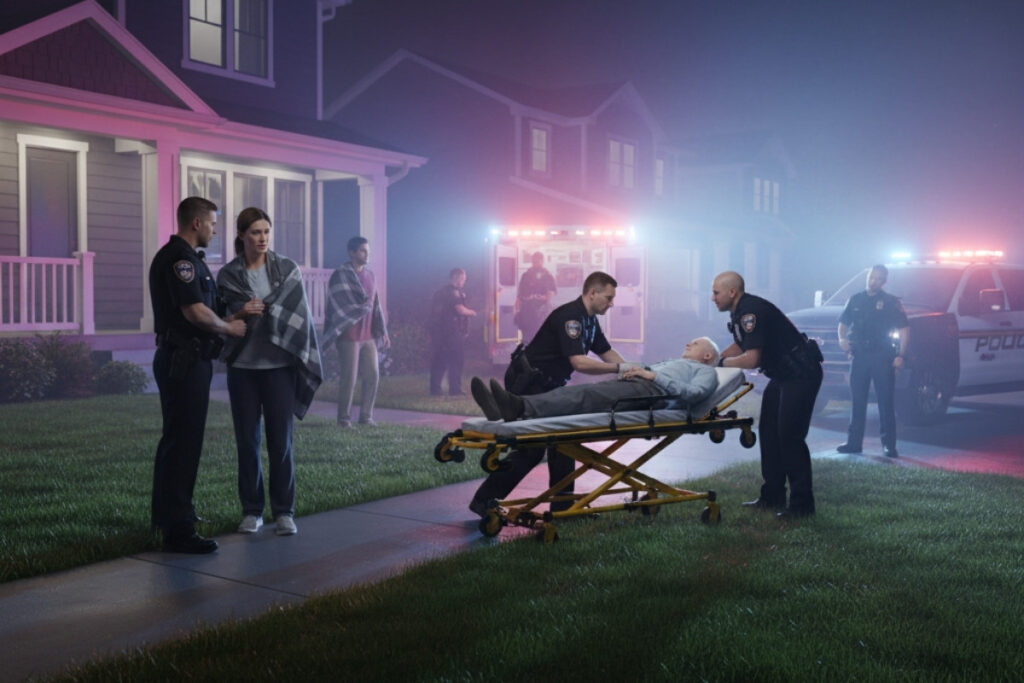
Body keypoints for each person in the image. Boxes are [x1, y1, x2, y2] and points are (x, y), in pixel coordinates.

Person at [468, 271, 626, 517]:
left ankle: (563, 508)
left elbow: (607, 351)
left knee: (563, 443)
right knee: (534, 449)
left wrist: (631, 370)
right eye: (608, 297)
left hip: (547, 386)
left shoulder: (589, 321)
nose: (612, 303)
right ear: (592, 293)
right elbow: (580, 364)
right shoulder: (570, 318)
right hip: (529, 382)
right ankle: (485, 500)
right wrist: (620, 369)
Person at [216, 208, 324, 537]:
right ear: (241, 236)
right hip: (244, 370)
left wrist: (267, 310)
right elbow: (221, 319)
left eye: (266, 232)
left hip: (280, 369)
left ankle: (283, 512)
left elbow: (299, 316)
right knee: (247, 443)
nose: (262, 239)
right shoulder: (228, 275)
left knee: (281, 442)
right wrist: (241, 311)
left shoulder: (286, 269)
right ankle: (252, 511)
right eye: (255, 233)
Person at [149, 197, 246, 553]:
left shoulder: (187, 260)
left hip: (185, 359)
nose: (215, 229)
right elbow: (195, 312)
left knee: (176, 441)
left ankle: (168, 518)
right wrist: (229, 328)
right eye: (212, 223)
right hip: (184, 361)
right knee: (184, 444)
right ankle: (179, 531)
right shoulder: (181, 261)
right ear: (196, 223)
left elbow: (207, 306)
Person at [712, 271, 823, 519]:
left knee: (790, 437)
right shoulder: (740, 311)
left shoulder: (752, 311)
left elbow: (752, 359)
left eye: (716, 292)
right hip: (783, 375)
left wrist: (720, 364)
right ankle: (772, 496)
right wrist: (714, 357)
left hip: (801, 373)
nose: (712, 297)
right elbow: (743, 344)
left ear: (732, 292)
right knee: (769, 432)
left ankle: (802, 505)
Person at [472, 337, 720, 421]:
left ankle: (518, 407)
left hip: (651, 394)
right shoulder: (677, 362)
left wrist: (651, 374)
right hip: (637, 386)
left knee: (584, 396)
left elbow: (694, 394)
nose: (688, 343)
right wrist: (636, 370)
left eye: (695, 343)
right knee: (579, 393)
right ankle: (503, 408)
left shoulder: (707, 371)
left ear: (707, 355)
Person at [836, 264, 910, 458]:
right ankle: (854, 443)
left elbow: (904, 329)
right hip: (859, 356)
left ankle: (889, 445)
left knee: (885, 402)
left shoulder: (891, 302)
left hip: (882, 356)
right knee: (857, 401)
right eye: (871, 277)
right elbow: (843, 324)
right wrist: (842, 340)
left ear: (884, 281)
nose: (873, 281)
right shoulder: (855, 299)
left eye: (878, 278)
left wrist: (901, 355)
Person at [322, 236, 390, 428]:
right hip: (348, 334)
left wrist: (382, 331)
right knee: (349, 378)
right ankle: (343, 418)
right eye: (362, 251)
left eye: (367, 250)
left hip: (368, 334)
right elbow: (337, 304)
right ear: (352, 253)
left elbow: (375, 304)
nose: (366, 254)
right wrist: (359, 308)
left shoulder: (371, 275)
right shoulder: (340, 275)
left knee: (373, 375)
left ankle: (366, 416)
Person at [429, 268, 476, 396]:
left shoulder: (439, 292)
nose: (464, 282)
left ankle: (435, 389)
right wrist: (472, 312)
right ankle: (455, 389)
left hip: (439, 332)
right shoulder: (454, 293)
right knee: (456, 360)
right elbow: (460, 310)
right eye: (463, 279)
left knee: (440, 360)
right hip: (452, 332)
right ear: (457, 277)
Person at [515, 251, 557, 342]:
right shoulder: (526, 275)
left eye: (537, 261)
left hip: (540, 311)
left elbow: (551, 293)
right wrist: (517, 306)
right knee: (526, 337)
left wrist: (542, 297)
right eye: (534, 261)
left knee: (539, 336)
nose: (535, 263)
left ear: (542, 261)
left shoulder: (547, 276)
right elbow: (520, 294)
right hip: (526, 311)